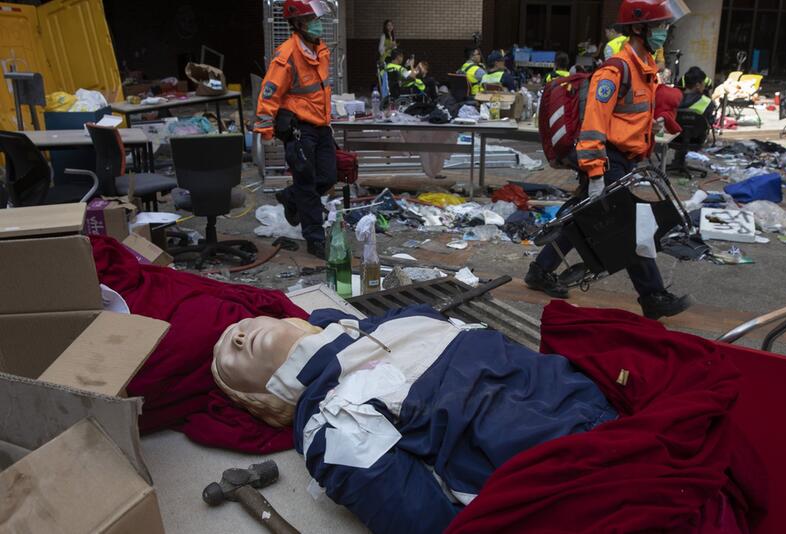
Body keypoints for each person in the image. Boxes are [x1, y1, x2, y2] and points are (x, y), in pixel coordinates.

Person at [212, 305, 617, 534]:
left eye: (240, 327)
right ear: (259, 397)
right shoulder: (329, 423)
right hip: (567, 475)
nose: (240, 337)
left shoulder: (393, 319)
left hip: (602, 411)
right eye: (231, 359)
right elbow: (416, 519)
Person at [525, 0, 693, 321]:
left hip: (625, 160)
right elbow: (593, 124)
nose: (664, 32)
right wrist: (596, 173)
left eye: (664, 26)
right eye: (658, 26)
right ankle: (652, 295)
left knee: (582, 220)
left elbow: (629, 115)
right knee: (629, 230)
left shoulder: (645, 68)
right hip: (607, 160)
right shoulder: (615, 69)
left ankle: (539, 270)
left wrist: (651, 130)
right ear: (638, 28)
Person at [255, 0, 337, 259]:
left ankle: (290, 198)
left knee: (328, 176)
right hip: (300, 128)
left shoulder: (320, 49)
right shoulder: (287, 55)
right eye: (312, 19)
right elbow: (269, 93)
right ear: (298, 23)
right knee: (307, 182)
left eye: (317, 18)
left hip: (321, 126)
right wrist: (265, 129)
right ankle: (315, 238)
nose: (318, 23)